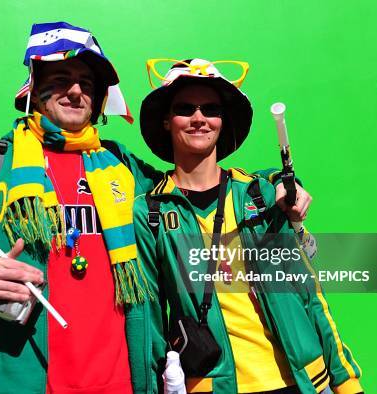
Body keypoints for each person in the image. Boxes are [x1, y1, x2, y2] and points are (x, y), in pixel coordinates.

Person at [0, 24, 311, 393]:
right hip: (23, 378)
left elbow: (195, 184)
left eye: (87, 82)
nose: (75, 90)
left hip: (123, 381)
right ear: (34, 85)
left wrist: (274, 182)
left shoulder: (124, 167)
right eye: (60, 77)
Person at [130, 59, 363, 394]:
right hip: (213, 386)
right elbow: (148, 320)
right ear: (167, 120)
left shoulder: (264, 194)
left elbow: (309, 293)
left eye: (211, 109)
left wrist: (346, 381)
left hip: (304, 382)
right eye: (185, 108)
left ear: (223, 121)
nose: (199, 118)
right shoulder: (150, 211)